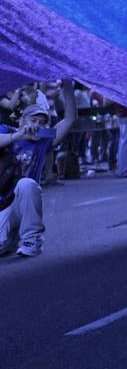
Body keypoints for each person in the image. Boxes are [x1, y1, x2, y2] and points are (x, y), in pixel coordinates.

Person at [0, 79, 78, 258]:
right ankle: (10, 238)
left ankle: (31, 240)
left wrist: (67, 82)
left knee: (26, 184)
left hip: (25, 200)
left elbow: (70, 118)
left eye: (42, 122)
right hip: (4, 204)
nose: (37, 126)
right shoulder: (9, 131)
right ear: (21, 121)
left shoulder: (43, 142)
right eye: (33, 120)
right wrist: (17, 135)